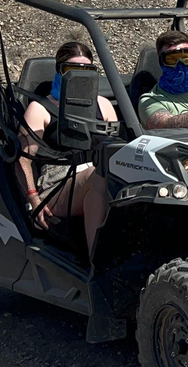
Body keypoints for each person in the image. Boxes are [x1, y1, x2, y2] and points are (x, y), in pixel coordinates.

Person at [15, 41, 117, 259]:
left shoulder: (103, 105)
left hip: (95, 172)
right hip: (56, 184)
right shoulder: (40, 108)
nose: (80, 76)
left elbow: (115, 149)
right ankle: (96, 264)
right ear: (59, 71)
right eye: (72, 70)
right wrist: (33, 199)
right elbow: (23, 159)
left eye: (87, 70)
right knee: (101, 175)